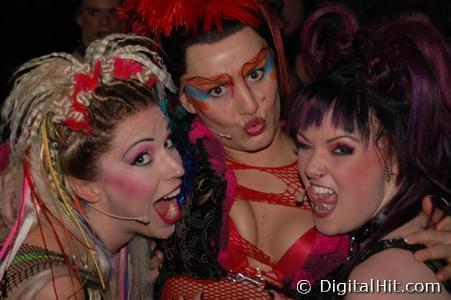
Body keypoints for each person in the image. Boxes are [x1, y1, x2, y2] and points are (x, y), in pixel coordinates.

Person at [120, 1, 451, 298]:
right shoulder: (160, 170)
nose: (249, 105)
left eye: (255, 73)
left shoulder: (348, 169)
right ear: (186, 99)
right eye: (217, 89)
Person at [0, 33, 183, 299]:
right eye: (142, 158)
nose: (176, 167)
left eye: (167, 143)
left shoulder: (121, 245)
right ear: (86, 186)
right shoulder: (58, 289)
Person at [289, 15, 451, 298]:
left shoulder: (379, 282)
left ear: (398, 154)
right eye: (304, 145)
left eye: (341, 148)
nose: (311, 167)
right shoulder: (414, 240)